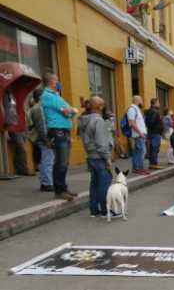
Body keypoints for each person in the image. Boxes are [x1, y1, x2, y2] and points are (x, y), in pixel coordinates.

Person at [41, 72, 79, 201]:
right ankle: (59, 190)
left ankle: (63, 188)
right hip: (57, 131)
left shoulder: (56, 96)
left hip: (64, 130)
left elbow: (68, 112)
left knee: (65, 162)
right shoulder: (48, 96)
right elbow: (68, 111)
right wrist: (72, 110)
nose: (58, 83)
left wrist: (70, 111)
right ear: (51, 82)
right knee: (61, 162)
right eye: (57, 80)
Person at [77, 96, 114, 217]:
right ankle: (105, 210)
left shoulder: (84, 120)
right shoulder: (99, 121)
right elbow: (101, 142)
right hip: (99, 157)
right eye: (103, 105)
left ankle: (94, 210)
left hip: (91, 156)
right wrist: (107, 158)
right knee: (104, 184)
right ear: (100, 107)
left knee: (94, 184)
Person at [28, 89, 54, 192]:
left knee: (46, 160)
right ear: (41, 97)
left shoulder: (37, 108)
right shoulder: (39, 109)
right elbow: (42, 126)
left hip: (41, 138)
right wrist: (46, 139)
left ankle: (46, 182)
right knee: (48, 160)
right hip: (43, 138)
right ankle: (47, 183)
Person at [127, 95, 149, 175]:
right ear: (137, 100)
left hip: (139, 134)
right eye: (141, 100)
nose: (142, 102)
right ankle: (140, 168)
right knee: (141, 152)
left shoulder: (136, 109)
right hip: (138, 135)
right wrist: (140, 133)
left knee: (137, 152)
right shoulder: (132, 109)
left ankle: (136, 168)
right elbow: (131, 123)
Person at [144, 98, 164, 170]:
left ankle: (152, 163)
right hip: (155, 132)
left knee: (152, 148)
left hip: (151, 132)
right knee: (155, 149)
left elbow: (147, 122)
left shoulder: (148, 111)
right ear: (154, 103)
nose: (159, 104)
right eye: (158, 102)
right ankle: (154, 164)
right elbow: (152, 122)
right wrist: (159, 121)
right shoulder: (155, 112)